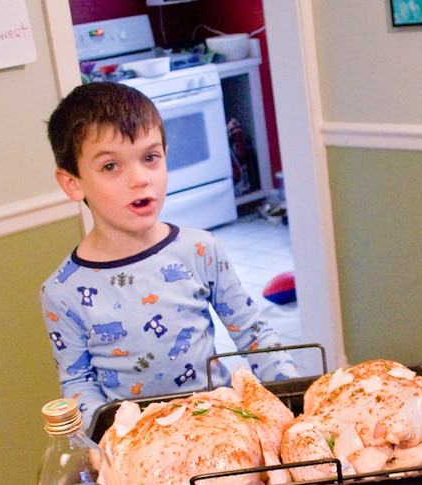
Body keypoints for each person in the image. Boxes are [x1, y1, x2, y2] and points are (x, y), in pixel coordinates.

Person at [41, 82, 298, 429]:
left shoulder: (200, 250)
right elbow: (78, 385)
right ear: (73, 183)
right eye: (110, 167)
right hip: (135, 446)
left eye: (150, 158)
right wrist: (116, 438)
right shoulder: (61, 291)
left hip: (220, 425)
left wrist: (292, 404)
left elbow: (254, 334)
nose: (140, 179)